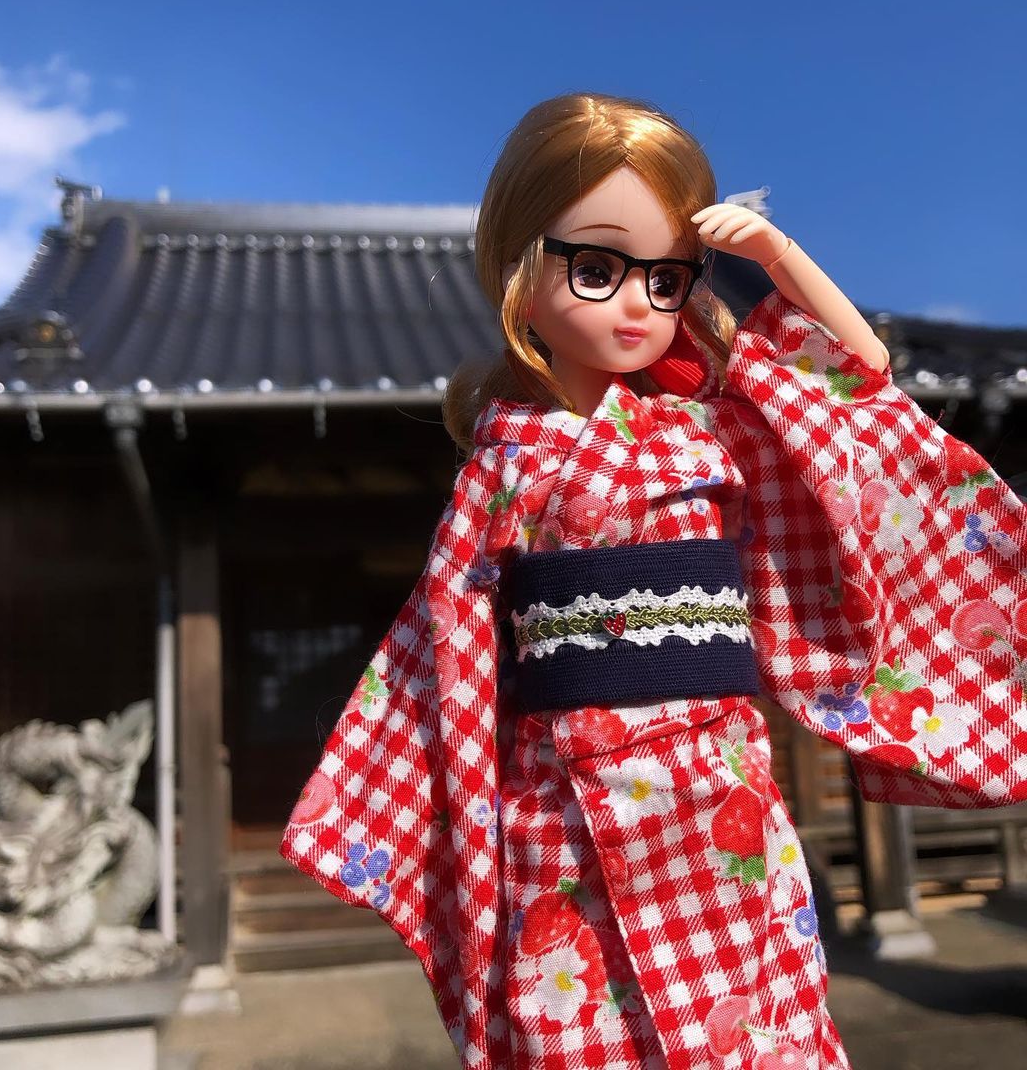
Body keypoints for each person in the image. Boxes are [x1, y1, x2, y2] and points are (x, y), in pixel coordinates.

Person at [281, 93, 1027, 1069]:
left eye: (667, 279)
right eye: (596, 269)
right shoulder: (509, 456)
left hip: (718, 783)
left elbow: (860, 374)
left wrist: (775, 257)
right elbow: (452, 632)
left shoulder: (710, 425)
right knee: (582, 1024)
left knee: (753, 1021)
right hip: (562, 792)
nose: (637, 304)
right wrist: (460, 789)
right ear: (522, 270)